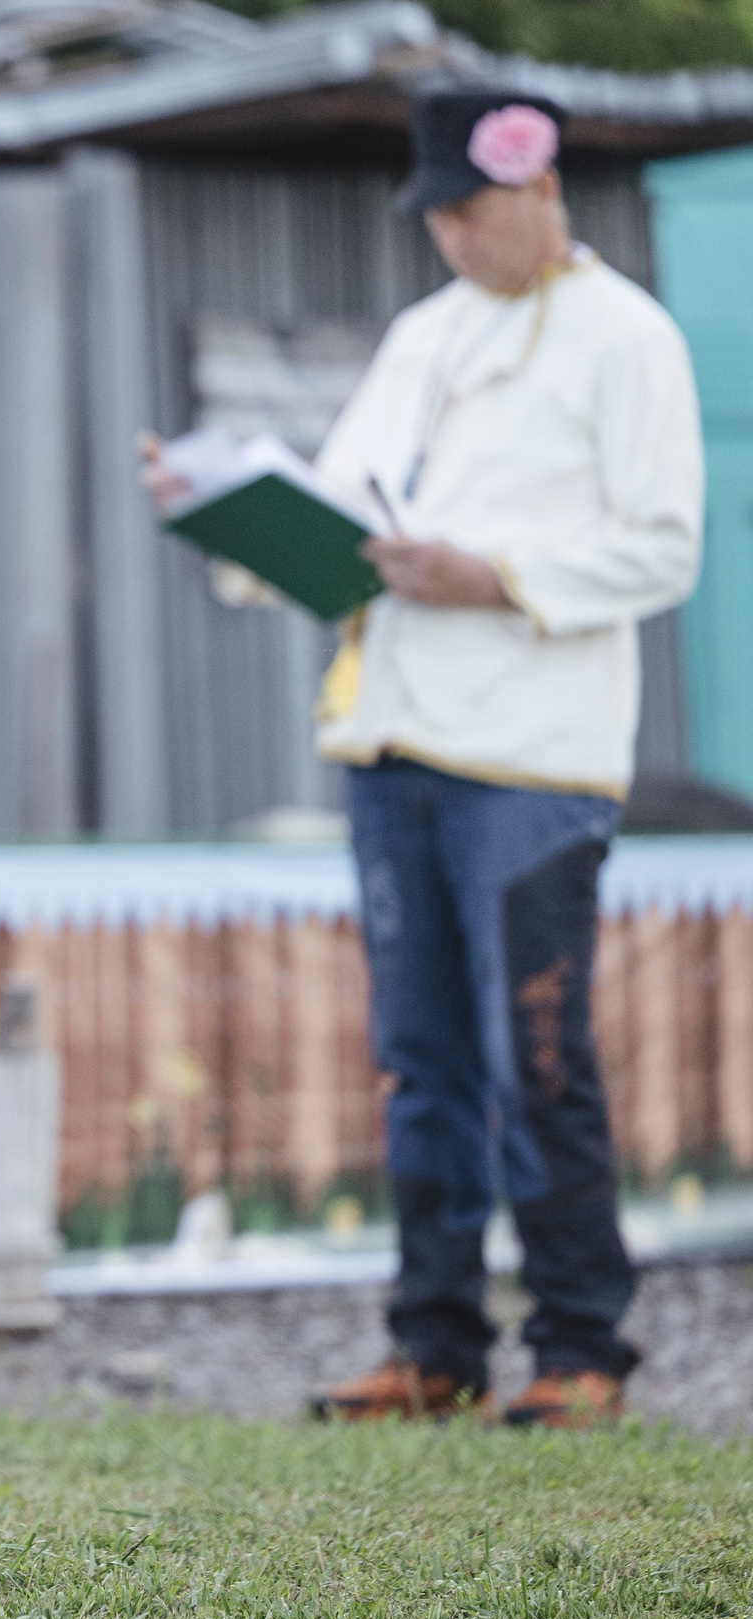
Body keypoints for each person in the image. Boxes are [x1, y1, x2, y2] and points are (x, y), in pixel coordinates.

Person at [146, 91, 704, 1427]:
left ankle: (582, 1345)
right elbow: (343, 518)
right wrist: (224, 510)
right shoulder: (422, 335)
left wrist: (492, 574)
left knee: (538, 1055)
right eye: (438, 212)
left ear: (539, 187)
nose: (450, 232)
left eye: (469, 205)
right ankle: (435, 1339)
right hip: (391, 735)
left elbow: (666, 546)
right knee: (421, 1059)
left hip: (531, 756)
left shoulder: (630, 336)